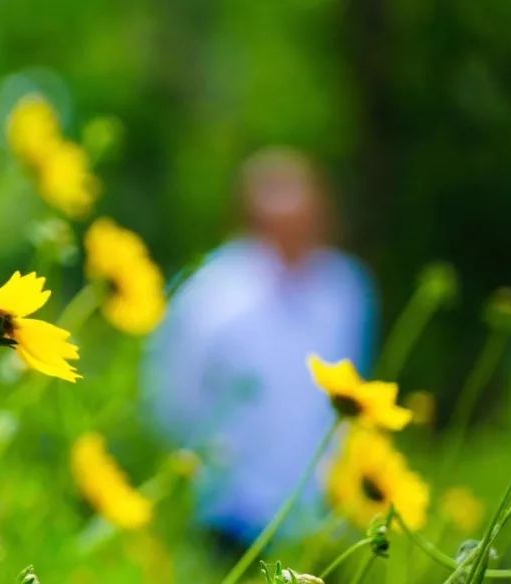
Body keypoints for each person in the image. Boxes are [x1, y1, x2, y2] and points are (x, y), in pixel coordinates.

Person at [143, 147, 377, 545]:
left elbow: (357, 386)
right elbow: (171, 395)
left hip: (316, 515)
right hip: (229, 511)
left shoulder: (345, 288)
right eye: (282, 226)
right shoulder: (211, 292)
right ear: (251, 222)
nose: (296, 238)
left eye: (306, 223)